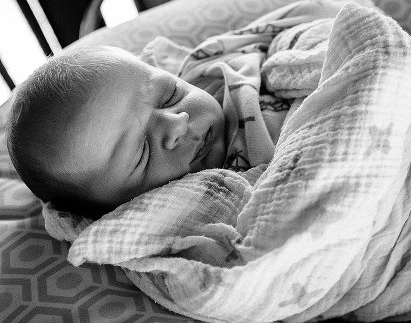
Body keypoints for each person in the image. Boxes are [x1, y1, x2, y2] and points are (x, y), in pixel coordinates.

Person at [6, 46, 244, 219]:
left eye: (169, 95)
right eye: (142, 152)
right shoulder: (195, 228)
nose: (177, 124)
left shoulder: (228, 74)